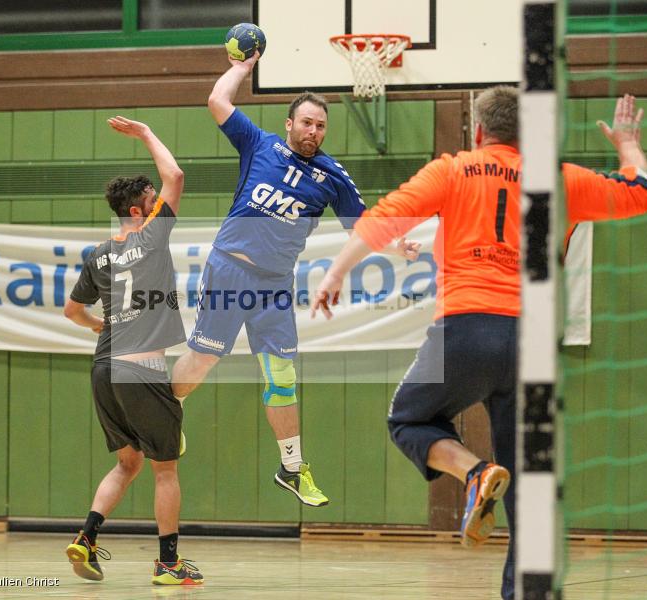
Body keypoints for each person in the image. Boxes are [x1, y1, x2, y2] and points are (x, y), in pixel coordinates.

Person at [312, 90, 647, 600]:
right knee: (527, 480)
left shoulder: (453, 169)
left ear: (477, 131)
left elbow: (387, 216)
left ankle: (473, 473)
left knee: (408, 420)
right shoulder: (557, 178)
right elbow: (638, 192)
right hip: (533, 343)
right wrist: (627, 144)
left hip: (467, 328)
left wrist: (336, 272)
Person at [170, 52, 406, 507]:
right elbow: (217, 100)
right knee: (202, 359)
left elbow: (362, 226)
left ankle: (293, 468)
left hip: (275, 285)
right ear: (290, 123)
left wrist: (398, 246)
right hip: (230, 270)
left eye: (321, 126)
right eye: (307, 123)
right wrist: (242, 68)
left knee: (282, 376)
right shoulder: (259, 144)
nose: (314, 132)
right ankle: (168, 414)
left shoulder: (332, 176)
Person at [63, 117, 202, 586]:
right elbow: (176, 176)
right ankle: (168, 563)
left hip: (103, 366)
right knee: (165, 470)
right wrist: (145, 134)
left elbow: (71, 310)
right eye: (152, 199)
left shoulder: (98, 253)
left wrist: (102, 324)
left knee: (128, 462)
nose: (159, 202)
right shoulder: (150, 238)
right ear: (139, 211)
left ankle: (86, 537)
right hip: (141, 370)